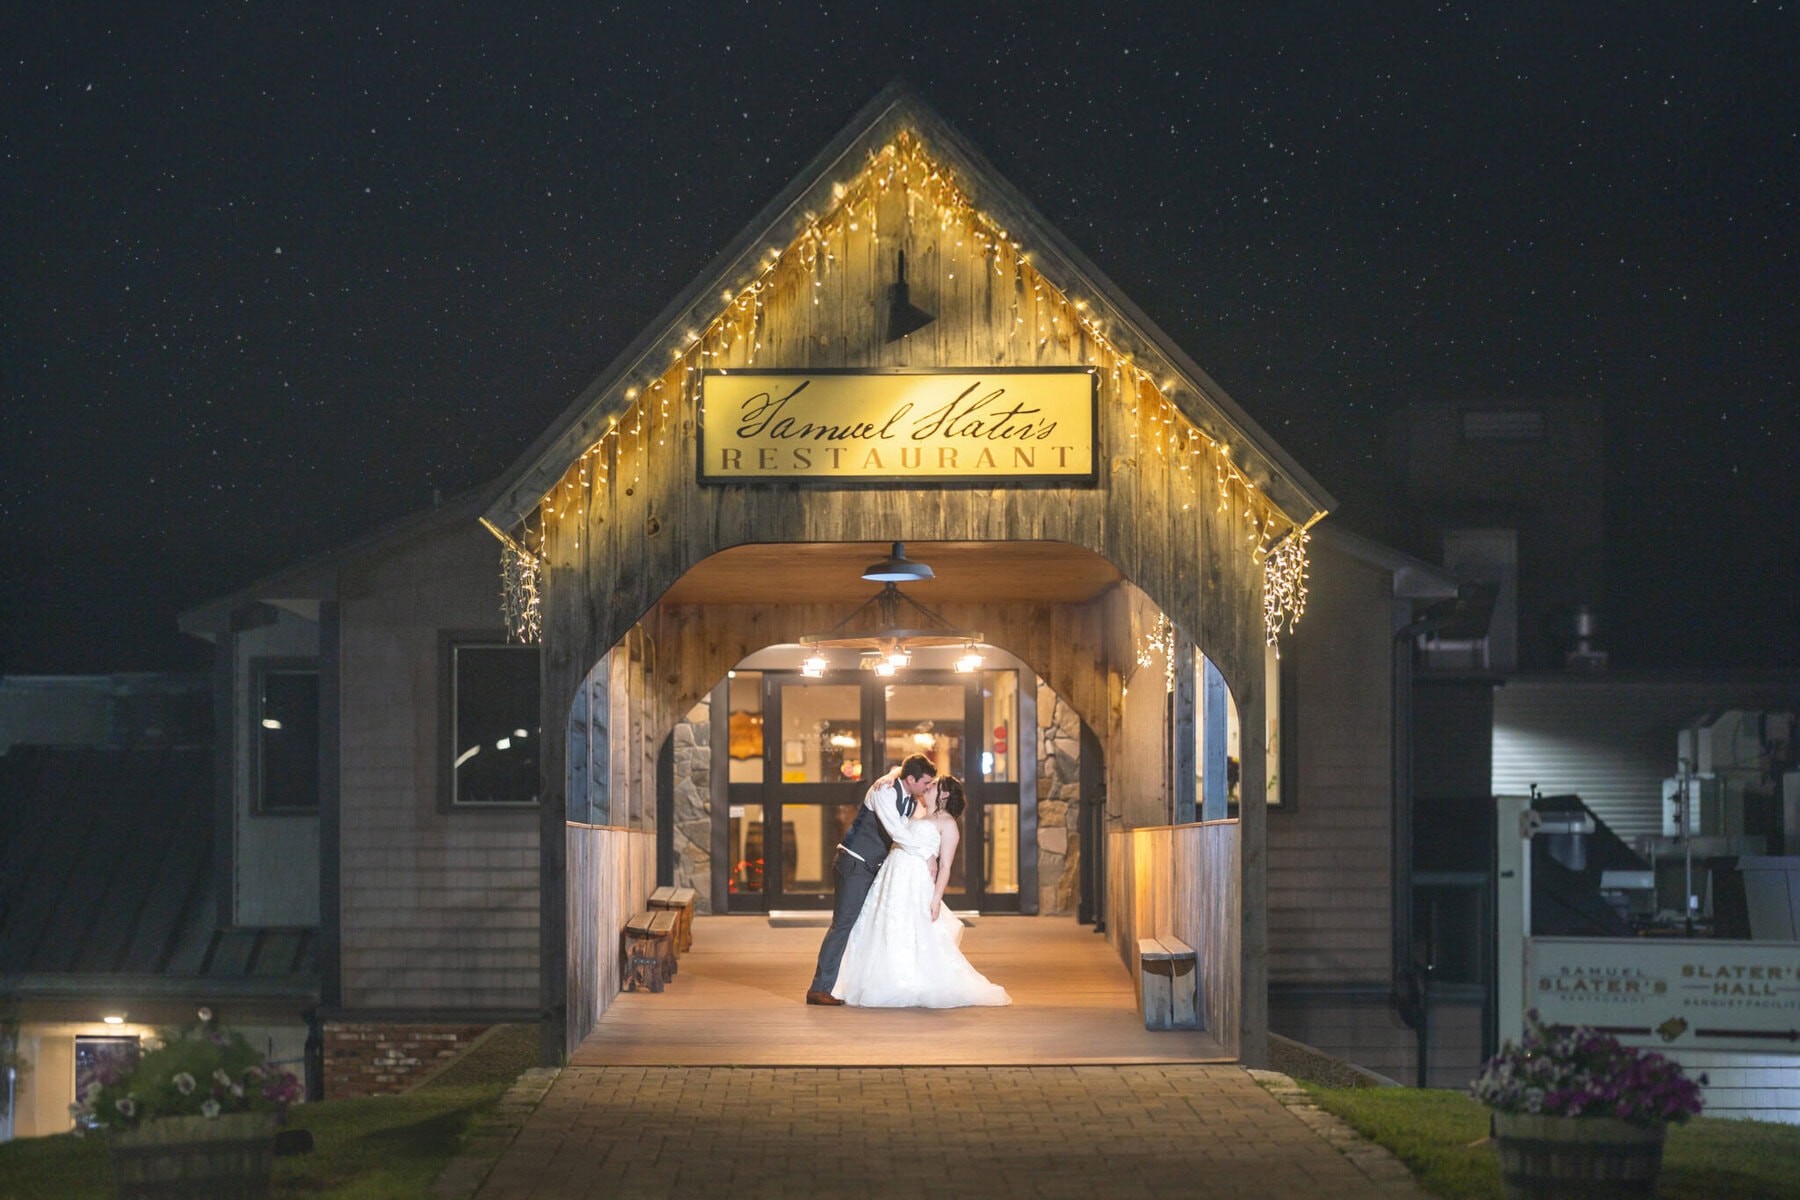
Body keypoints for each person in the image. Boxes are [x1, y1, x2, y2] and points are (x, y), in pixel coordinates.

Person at [830, 772, 1011, 1008]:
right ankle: (882, 977)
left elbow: (945, 865)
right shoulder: (915, 811)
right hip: (892, 876)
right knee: (885, 925)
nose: (928, 786)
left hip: (915, 882)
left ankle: (907, 981)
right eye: (929, 782)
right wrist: (892, 774)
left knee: (909, 927)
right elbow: (906, 773)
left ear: (945, 793)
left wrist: (936, 898)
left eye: (934, 785)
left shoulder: (948, 825)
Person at [805, 754, 937, 1005]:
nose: (929, 787)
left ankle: (853, 985)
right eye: (926, 783)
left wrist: (894, 771)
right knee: (843, 925)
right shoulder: (884, 792)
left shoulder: (909, 794)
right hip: (854, 863)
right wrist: (928, 854)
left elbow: (903, 773)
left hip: (873, 867)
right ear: (911, 779)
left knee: (866, 926)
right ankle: (819, 988)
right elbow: (897, 832)